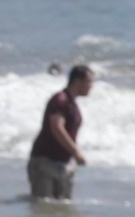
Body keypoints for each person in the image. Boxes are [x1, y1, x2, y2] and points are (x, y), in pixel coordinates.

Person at [28, 65, 93, 200]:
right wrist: (76, 153)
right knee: (43, 206)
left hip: (63, 164)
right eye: (89, 81)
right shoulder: (60, 100)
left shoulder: (72, 104)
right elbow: (57, 127)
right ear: (77, 81)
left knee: (62, 207)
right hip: (45, 162)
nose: (91, 86)